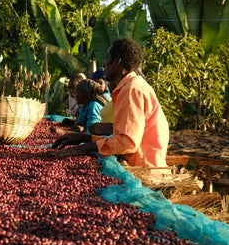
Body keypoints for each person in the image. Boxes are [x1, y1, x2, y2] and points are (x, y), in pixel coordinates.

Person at [52, 38, 169, 168]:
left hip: (144, 166)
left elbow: (127, 142)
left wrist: (87, 147)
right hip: (139, 160)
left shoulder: (132, 89)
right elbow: (121, 137)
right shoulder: (130, 86)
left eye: (107, 60)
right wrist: (83, 138)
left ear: (117, 62)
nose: (104, 65)